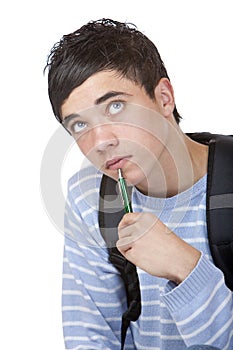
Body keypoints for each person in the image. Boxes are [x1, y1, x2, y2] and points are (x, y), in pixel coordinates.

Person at [45, 19, 232, 349]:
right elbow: (91, 339)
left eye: (115, 106)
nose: (100, 141)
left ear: (163, 98)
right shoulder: (90, 199)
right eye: (79, 124)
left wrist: (186, 267)